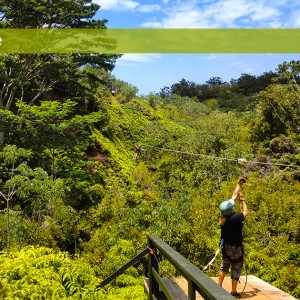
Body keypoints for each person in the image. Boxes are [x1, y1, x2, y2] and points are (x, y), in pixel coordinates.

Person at [218, 176, 249, 299]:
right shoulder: (235, 218)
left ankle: (218, 287)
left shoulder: (224, 218)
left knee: (224, 265)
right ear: (231, 210)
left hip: (226, 247)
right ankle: (233, 292)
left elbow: (233, 196)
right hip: (236, 248)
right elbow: (246, 212)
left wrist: (238, 184)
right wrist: (243, 199)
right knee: (236, 267)